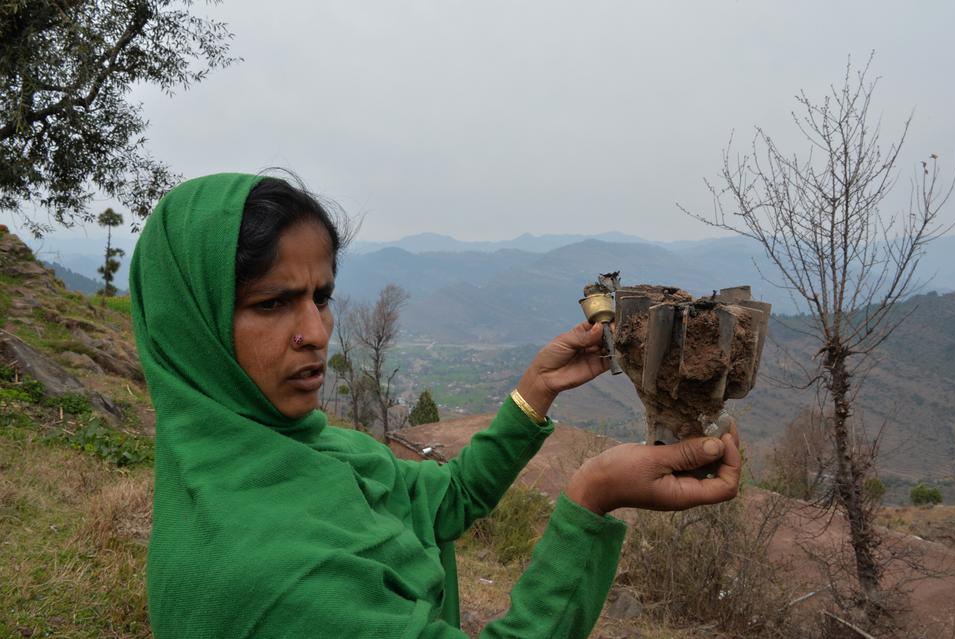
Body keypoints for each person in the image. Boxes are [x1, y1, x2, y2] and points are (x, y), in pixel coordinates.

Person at [129, 172, 741, 639]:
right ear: (193, 327)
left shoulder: (305, 450)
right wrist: (590, 499)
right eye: (272, 303)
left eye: (322, 297)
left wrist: (535, 391)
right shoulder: (277, 580)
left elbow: (446, 500)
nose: (315, 331)